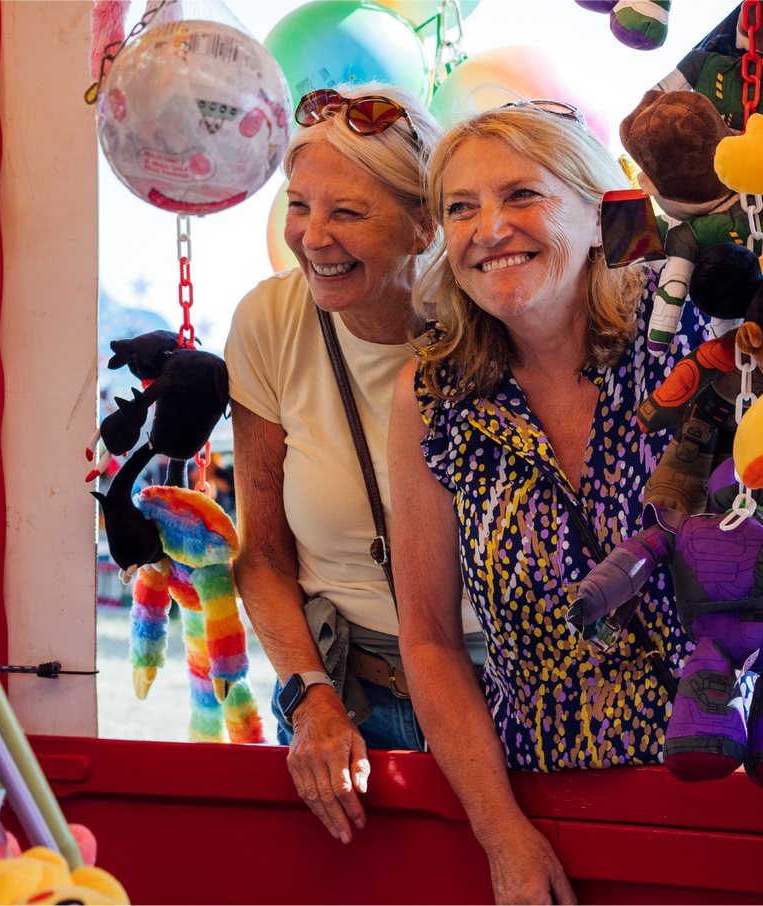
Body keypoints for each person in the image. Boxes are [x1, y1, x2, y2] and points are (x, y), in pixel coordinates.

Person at [386, 103, 763, 906]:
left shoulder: (697, 338)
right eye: (460, 208)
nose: (488, 227)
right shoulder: (431, 395)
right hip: (548, 816)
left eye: (522, 196)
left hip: (739, 795)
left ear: (602, 208)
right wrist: (502, 833)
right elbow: (429, 640)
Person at [228, 83, 478, 845]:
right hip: (346, 702)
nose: (312, 237)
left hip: (503, 692)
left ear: (422, 226)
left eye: (347, 212)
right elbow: (263, 555)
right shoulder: (270, 322)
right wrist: (311, 700)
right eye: (300, 206)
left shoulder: (494, 318)